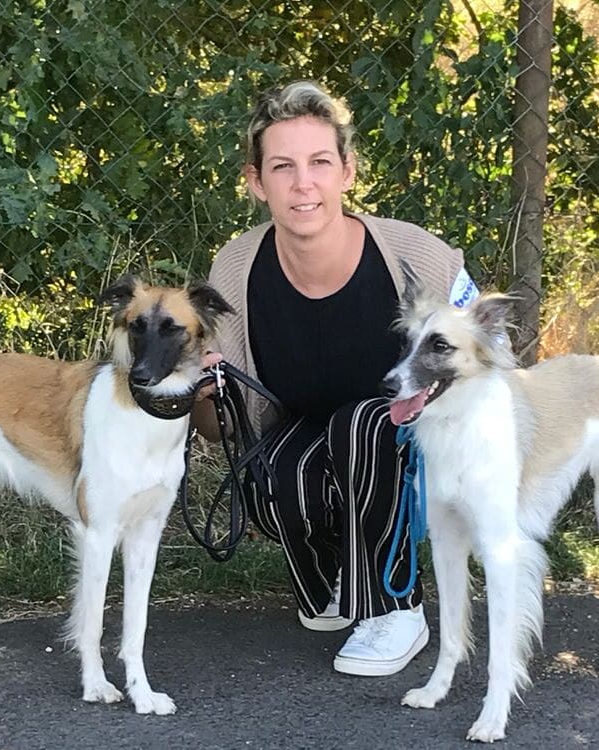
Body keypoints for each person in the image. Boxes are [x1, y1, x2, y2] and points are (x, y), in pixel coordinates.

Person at [192, 81, 477, 677]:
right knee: (279, 467)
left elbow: (489, 360)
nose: (304, 183)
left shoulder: (416, 255)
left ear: (347, 171)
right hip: (308, 432)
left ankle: (394, 606)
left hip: (414, 443)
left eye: (320, 162)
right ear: (256, 181)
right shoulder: (236, 266)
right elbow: (223, 428)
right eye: (283, 167)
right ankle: (339, 573)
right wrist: (200, 389)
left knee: (362, 423)